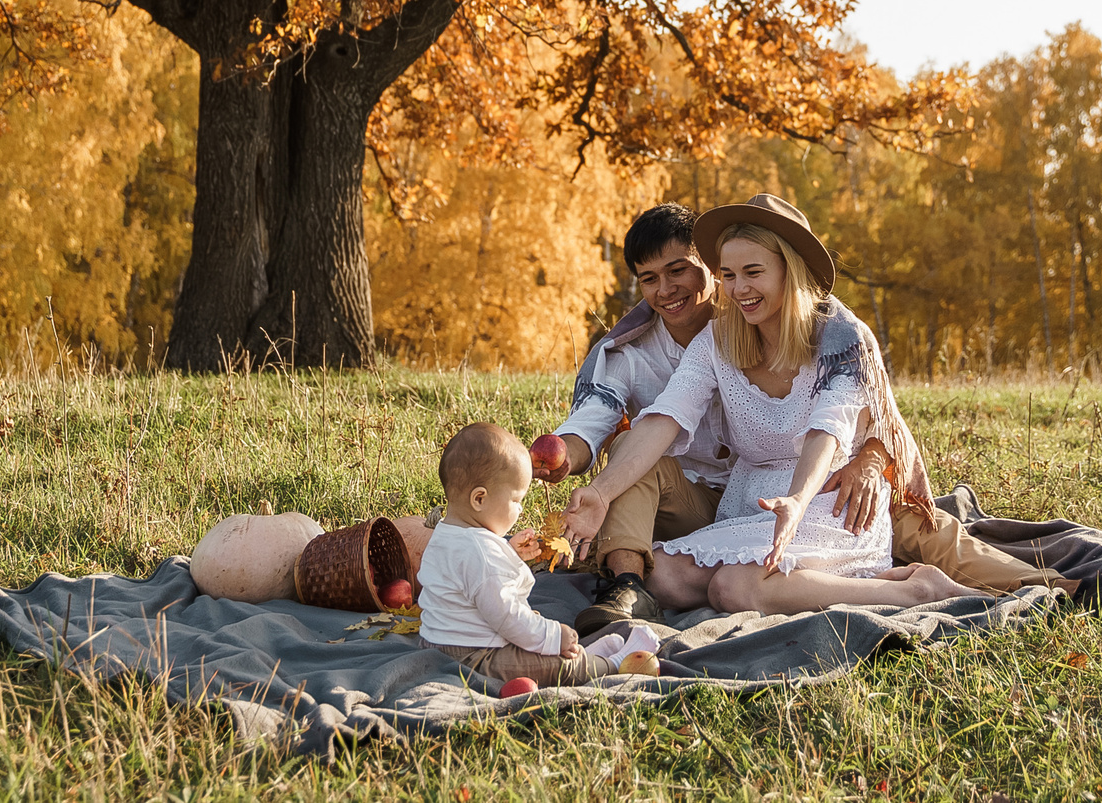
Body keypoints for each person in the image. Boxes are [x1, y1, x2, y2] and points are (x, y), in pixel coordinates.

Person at [563, 197, 974, 615]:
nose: (739, 289)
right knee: (663, 576)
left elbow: (828, 432)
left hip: (827, 502)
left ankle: (917, 591)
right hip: (746, 507)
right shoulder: (715, 341)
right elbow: (666, 417)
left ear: (788, 270)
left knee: (733, 588)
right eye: (729, 275)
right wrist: (599, 493)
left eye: (753, 273)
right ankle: (847, 584)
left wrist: (796, 501)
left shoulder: (840, 339)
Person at [536, 204, 735, 634]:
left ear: (711, 266)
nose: (665, 289)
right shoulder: (631, 354)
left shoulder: (751, 326)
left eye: (677, 270)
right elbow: (593, 421)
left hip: (758, 496)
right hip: (687, 505)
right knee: (631, 445)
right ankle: (626, 589)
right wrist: (557, 458)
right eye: (649, 279)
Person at [415, 423, 613, 687]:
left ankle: (594, 655)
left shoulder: (446, 532)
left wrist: (507, 552)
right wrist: (555, 637)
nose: (520, 510)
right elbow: (507, 616)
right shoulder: (482, 554)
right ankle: (611, 664)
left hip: (436, 642)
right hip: (476, 654)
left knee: (534, 631)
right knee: (560, 665)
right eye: (516, 500)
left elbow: (467, 578)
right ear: (479, 499)